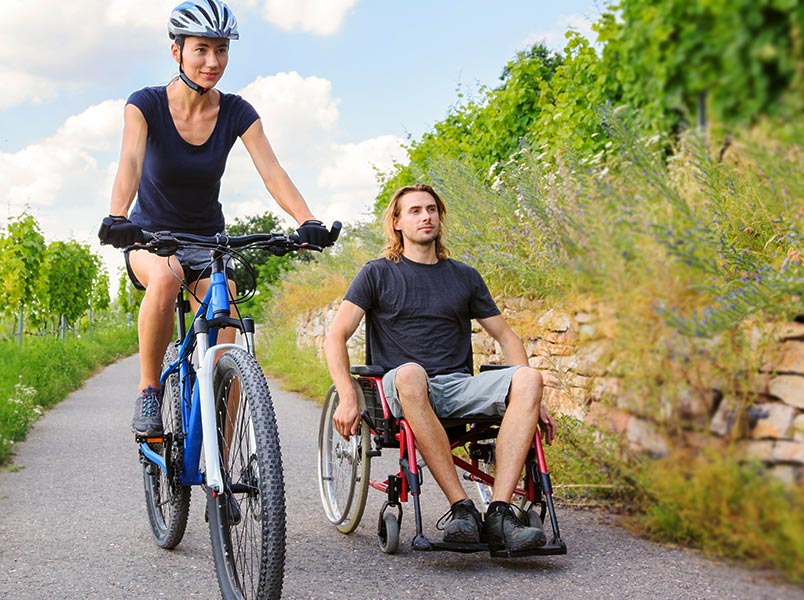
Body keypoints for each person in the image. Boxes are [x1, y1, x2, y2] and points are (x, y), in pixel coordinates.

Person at [98, 0, 334, 438]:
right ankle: (149, 388)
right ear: (177, 52)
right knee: (167, 279)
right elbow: (130, 161)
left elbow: (272, 170)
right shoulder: (145, 104)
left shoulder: (237, 111)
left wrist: (308, 220)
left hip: (209, 243)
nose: (213, 62)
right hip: (150, 240)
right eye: (202, 49)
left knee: (225, 329)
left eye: (221, 50)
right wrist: (117, 215)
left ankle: (219, 468)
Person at [323, 184, 557, 552]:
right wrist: (348, 395)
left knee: (529, 379)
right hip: (402, 387)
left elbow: (507, 337)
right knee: (412, 372)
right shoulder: (377, 274)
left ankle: (499, 512)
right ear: (397, 222)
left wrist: (533, 399)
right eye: (414, 210)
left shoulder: (463, 276)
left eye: (431, 209)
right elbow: (336, 336)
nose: (426, 216)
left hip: (458, 384)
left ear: (440, 217)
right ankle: (461, 507)